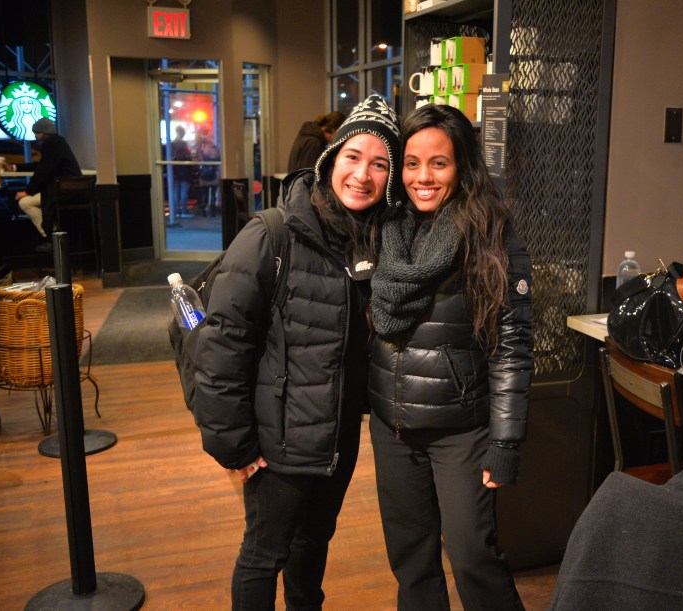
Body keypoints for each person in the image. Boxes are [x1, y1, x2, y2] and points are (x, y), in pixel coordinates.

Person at [192, 94, 401, 610]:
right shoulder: (272, 234)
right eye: (353, 156)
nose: (363, 175)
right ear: (330, 159)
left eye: (380, 164)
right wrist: (235, 445)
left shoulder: (380, 242)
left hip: (338, 438)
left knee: (313, 549)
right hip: (278, 440)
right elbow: (222, 346)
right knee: (264, 556)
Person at [368, 103, 534, 610]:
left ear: (462, 166)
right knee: (412, 563)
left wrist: (505, 441)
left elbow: (512, 345)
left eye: (438, 163)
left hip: (459, 428)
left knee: (473, 558)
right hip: (392, 426)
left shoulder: (490, 232)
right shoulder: (383, 226)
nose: (423, 177)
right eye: (411, 163)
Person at [10, 118, 81, 251]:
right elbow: (44, 166)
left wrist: (28, 191)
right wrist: (16, 167)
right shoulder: (59, 142)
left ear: (44, 133)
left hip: (62, 191)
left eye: (37, 133)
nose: (35, 136)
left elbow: (44, 170)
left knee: (25, 203)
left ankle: (52, 237)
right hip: (73, 190)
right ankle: (55, 236)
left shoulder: (50, 143)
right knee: (34, 201)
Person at [170, 125, 193, 218]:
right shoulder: (184, 144)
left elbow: (172, 157)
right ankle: (184, 210)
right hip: (184, 169)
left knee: (176, 191)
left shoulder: (172, 144)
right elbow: (188, 157)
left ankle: (177, 210)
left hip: (175, 169)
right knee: (184, 191)